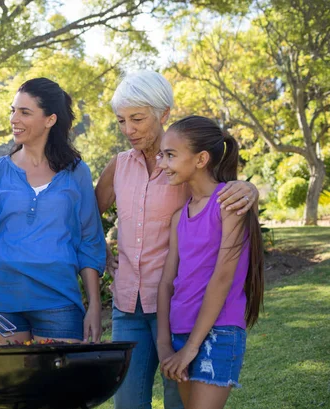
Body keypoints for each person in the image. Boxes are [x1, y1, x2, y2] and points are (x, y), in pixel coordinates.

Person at [95, 70, 258, 409]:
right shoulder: (118, 166)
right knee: (127, 403)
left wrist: (249, 188)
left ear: (163, 114)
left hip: (181, 307)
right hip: (129, 305)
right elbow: (88, 215)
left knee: (179, 404)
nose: (128, 129)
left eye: (137, 119)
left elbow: (218, 188)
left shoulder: (181, 162)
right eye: (121, 120)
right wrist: (103, 250)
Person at [0, 77, 106, 344]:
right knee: (11, 385)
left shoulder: (76, 173)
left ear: (50, 119)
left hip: (57, 296)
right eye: (13, 110)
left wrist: (94, 305)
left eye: (25, 112)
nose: (14, 119)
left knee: (58, 385)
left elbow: (90, 239)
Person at [157, 115, 264, 408]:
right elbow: (167, 283)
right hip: (180, 332)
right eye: (161, 155)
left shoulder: (229, 204)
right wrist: (165, 344)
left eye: (170, 155)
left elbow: (222, 278)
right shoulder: (180, 216)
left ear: (201, 158)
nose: (162, 163)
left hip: (219, 333)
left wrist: (191, 349)